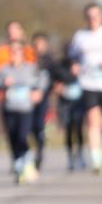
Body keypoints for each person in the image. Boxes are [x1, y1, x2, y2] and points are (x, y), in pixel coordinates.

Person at [69, 4, 102, 174]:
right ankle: (96, 159)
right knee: (92, 121)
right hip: (88, 83)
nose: (93, 19)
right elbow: (73, 56)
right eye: (89, 16)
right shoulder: (80, 36)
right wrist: (75, 65)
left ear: (101, 16)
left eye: (96, 15)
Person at [0, 38, 49, 184]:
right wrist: (3, 83)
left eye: (17, 52)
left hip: (25, 108)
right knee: (13, 137)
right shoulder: (5, 69)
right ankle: (18, 163)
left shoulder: (31, 68)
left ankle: (27, 161)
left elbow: (44, 78)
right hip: (9, 108)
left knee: (23, 136)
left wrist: (39, 92)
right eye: (12, 52)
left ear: (23, 53)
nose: (14, 55)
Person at [54, 43, 86, 171]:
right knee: (68, 129)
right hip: (65, 102)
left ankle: (81, 154)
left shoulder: (81, 63)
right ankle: (70, 157)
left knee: (78, 128)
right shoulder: (59, 65)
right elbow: (56, 81)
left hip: (79, 100)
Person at [29, 32, 57, 171]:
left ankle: (39, 152)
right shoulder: (29, 58)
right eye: (36, 44)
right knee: (29, 126)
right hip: (28, 98)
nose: (38, 47)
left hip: (43, 97)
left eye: (41, 43)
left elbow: (55, 77)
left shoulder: (50, 60)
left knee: (39, 125)